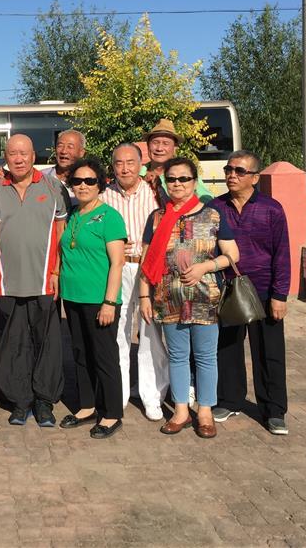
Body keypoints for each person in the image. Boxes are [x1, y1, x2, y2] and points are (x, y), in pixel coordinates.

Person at [137, 157, 239, 439]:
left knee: (205, 357)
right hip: (169, 298)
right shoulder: (157, 218)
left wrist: (205, 267)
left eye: (183, 178)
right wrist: (144, 296)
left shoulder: (213, 215)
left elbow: (232, 255)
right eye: (171, 179)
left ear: (194, 182)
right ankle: (181, 410)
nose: (177, 184)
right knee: (178, 356)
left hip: (205, 298)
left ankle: (205, 411)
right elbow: (147, 260)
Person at [209, 151, 291, 435]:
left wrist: (280, 295)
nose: (232, 175)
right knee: (227, 347)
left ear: (255, 178)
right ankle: (229, 400)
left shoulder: (271, 209)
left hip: (265, 290)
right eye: (228, 169)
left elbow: (282, 254)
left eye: (240, 171)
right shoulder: (215, 207)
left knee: (269, 352)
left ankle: (274, 410)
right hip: (228, 289)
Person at [0, 135, 68, 427]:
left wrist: (57, 272)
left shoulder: (52, 187)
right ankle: (20, 401)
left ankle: (44, 401)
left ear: (34, 155)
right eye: (13, 153)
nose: (19, 158)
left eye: (24, 153)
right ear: (6, 157)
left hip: (44, 281)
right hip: (7, 282)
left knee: (47, 343)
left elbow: (61, 231)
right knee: (14, 344)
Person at [58, 158, 128, 439]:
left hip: (100, 300)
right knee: (80, 353)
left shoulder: (110, 217)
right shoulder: (73, 215)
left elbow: (118, 263)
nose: (83, 186)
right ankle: (87, 406)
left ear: (100, 184)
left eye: (90, 181)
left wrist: (109, 302)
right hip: (73, 298)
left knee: (104, 356)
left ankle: (111, 413)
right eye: (77, 181)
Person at [100, 143, 169, 421]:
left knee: (150, 332)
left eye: (130, 162)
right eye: (119, 163)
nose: (125, 168)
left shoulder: (154, 193)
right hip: (117, 269)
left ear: (141, 164)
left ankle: (152, 395)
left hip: (148, 268)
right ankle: (119, 391)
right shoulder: (104, 195)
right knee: (118, 332)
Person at [141, 119, 212, 207]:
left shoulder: (185, 174)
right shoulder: (136, 174)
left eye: (166, 143)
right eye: (155, 142)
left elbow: (207, 200)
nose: (159, 148)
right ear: (148, 145)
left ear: (175, 148)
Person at [44, 129, 86, 199]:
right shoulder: (41, 178)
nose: (64, 151)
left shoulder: (90, 182)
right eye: (60, 146)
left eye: (70, 147)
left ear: (81, 153)